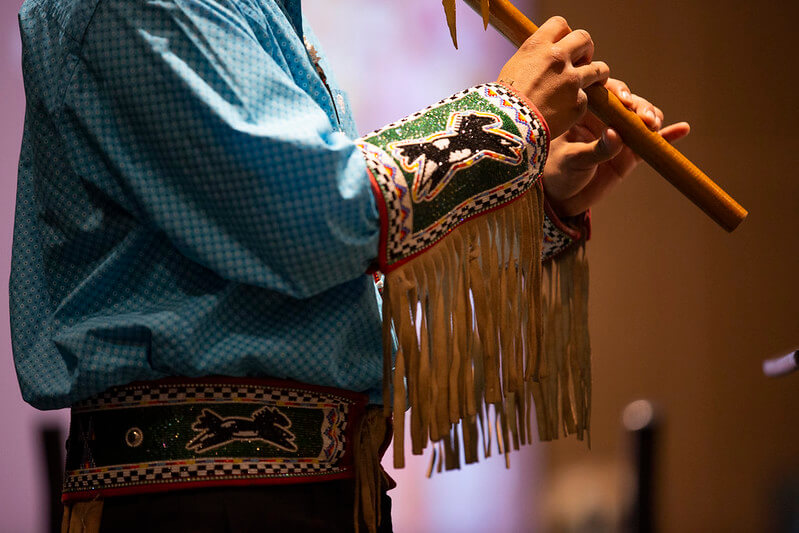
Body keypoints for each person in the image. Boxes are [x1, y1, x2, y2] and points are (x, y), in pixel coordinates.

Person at [11, 0, 688, 531]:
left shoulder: (264, 18)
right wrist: (504, 122)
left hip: (315, 494)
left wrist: (535, 196)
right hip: (197, 503)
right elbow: (316, 221)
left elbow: (342, 288)